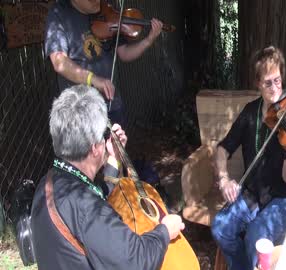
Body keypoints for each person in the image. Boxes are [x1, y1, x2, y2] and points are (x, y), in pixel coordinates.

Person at [31, 85, 185, 269]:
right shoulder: (88, 209)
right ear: (95, 148)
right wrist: (165, 231)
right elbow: (135, 261)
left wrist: (114, 158)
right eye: (104, 135)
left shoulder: (50, 182)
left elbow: (96, 196)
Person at [210, 46, 286, 270]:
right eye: (268, 82)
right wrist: (224, 178)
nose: (275, 88)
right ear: (258, 83)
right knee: (220, 227)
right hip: (256, 193)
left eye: (277, 80)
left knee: (256, 235)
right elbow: (222, 149)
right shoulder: (250, 112)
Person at [44, 0, 164, 126]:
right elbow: (59, 62)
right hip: (79, 113)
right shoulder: (59, 13)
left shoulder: (106, 10)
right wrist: (93, 79)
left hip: (112, 104)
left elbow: (124, 53)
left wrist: (148, 41)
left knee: (117, 145)